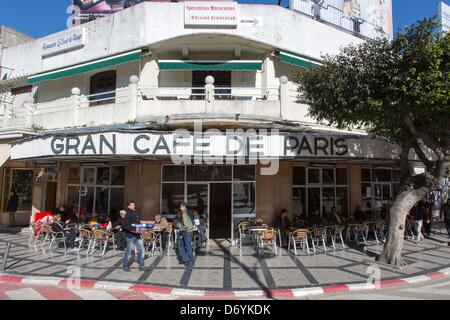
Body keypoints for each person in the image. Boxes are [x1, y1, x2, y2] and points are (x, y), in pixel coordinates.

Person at [122, 201, 148, 272]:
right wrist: (135, 229)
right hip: (130, 236)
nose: (134, 206)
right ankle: (125, 266)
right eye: (132, 205)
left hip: (137, 235)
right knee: (129, 251)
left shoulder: (135, 213)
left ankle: (141, 266)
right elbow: (125, 226)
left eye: (134, 205)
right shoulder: (127, 214)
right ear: (128, 206)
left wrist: (142, 229)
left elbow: (138, 223)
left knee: (142, 249)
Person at [178, 202, 195, 267]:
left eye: (181, 207)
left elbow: (186, 225)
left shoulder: (184, 214)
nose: (180, 208)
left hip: (186, 232)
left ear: (184, 207)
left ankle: (190, 261)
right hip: (189, 232)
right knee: (185, 246)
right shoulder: (188, 213)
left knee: (186, 247)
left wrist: (181, 229)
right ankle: (186, 260)